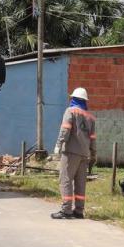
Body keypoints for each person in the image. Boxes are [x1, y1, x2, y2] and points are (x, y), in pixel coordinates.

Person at [51, 87, 97, 220]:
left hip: (71, 152)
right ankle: (79, 210)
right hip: (84, 154)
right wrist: (93, 155)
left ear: (74, 98)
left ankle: (66, 210)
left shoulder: (70, 111)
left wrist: (58, 145)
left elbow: (65, 129)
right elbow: (93, 138)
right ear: (84, 100)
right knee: (80, 182)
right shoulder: (90, 117)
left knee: (65, 180)